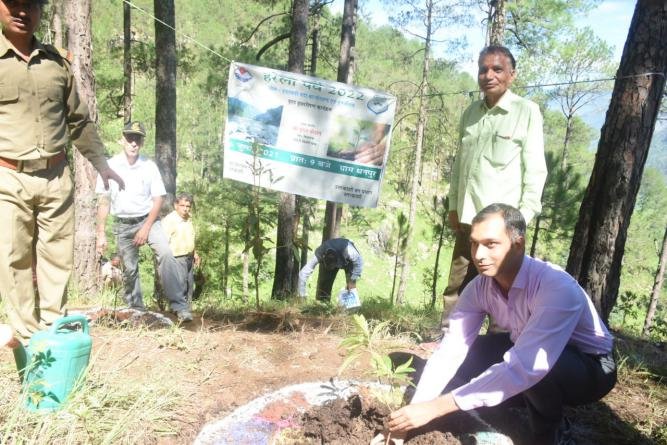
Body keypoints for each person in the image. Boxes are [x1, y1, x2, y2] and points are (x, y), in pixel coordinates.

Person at [384, 204, 616, 445]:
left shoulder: (556, 287)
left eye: (490, 244)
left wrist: (435, 408)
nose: (478, 255)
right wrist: (414, 412)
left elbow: (528, 366)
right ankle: (504, 405)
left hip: (591, 366)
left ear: (518, 245)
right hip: (526, 349)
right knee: (471, 355)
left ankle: (553, 434)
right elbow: (451, 350)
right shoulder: (479, 287)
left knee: (539, 366)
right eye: (474, 243)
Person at [0, 0, 124, 343]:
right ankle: (28, 342)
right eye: (13, 4)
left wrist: (102, 164)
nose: (22, 12)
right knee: (13, 259)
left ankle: (53, 336)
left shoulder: (56, 63)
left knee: (57, 260)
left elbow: (79, 121)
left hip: (56, 176)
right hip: (7, 177)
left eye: (30, 4)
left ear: (40, 10)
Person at [442, 45, 547, 327]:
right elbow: (460, 166)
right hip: (468, 218)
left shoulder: (526, 112)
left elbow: (536, 170)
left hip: (502, 226)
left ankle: (501, 346)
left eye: (497, 69)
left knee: (504, 290)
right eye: (483, 69)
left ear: (512, 75)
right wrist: (453, 206)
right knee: (458, 286)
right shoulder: (470, 113)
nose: (489, 75)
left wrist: (520, 220)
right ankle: (450, 338)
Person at [95, 121, 192, 322]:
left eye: (137, 139)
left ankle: (179, 306)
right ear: (122, 140)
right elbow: (104, 201)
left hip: (149, 220)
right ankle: (136, 309)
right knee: (129, 269)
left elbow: (159, 198)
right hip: (123, 224)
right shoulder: (110, 165)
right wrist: (101, 233)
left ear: (142, 143)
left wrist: (146, 227)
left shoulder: (149, 166)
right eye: (130, 138)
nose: (133, 143)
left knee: (166, 253)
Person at [161, 193, 200, 303]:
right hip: (176, 258)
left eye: (188, 206)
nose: (185, 209)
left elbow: (190, 237)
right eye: (182, 205)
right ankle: (178, 310)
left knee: (189, 286)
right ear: (176, 205)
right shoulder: (169, 220)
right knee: (180, 287)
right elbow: (163, 243)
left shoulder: (189, 219)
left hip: (189, 258)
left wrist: (195, 254)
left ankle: (187, 310)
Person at [298, 238, 363, 301]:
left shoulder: (348, 251)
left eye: (332, 266)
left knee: (351, 286)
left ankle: (351, 305)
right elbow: (303, 273)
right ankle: (323, 303)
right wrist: (302, 295)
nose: (331, 268)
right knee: (325, 284)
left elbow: (359, 262)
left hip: (348, 261)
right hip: (333, 255)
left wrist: (352, 279)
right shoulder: (320, 253)